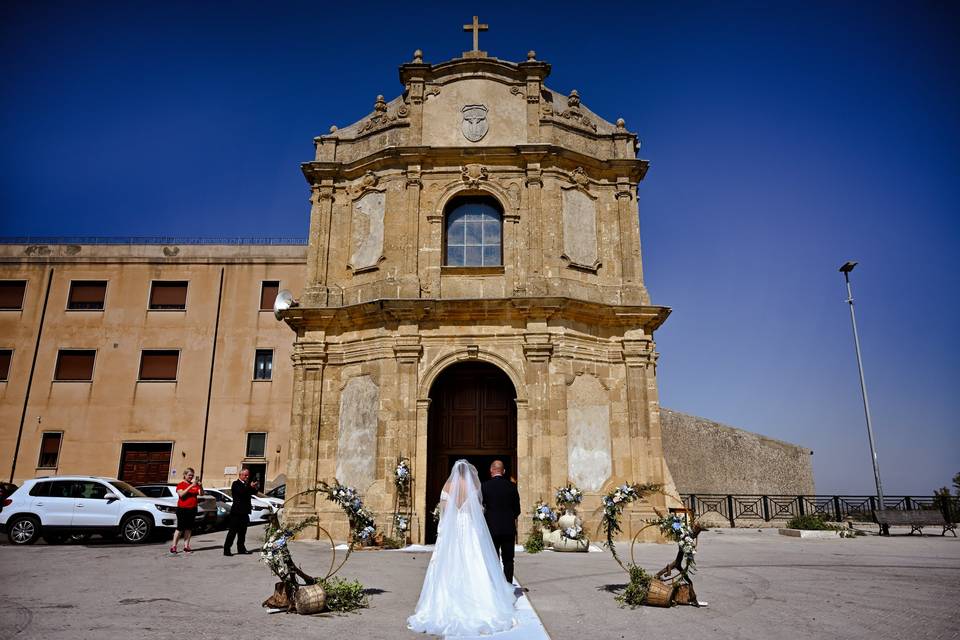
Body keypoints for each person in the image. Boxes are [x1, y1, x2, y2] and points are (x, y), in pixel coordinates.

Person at [408, 460, 516, 636]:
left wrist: (442, 531)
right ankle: (480, 601)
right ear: (468, 473)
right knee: (473, 560)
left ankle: (443, 602)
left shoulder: (447, 487)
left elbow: (443, 514)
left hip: (451, 530)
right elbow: (479, 512)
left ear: (454, 472)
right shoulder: (473, 488)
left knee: (448, 563)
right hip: (468, 528)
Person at [481, 459, 522, 583]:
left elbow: (480, 506)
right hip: (508, 528)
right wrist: (509, 518)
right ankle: (508, 585)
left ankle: (495, 585)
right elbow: (517, 510)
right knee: (508, 559)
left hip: (491, 528)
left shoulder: (484, 486)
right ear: (503, 471)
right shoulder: (512, 487)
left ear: (491, 471)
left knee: (493, 559)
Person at [223, 468, 257, 556]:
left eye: (248, 475)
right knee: (232, 532)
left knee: (242, 533)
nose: (247, 477)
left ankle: (241, 548)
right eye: (245, 475)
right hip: (236, 513)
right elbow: (241, 492)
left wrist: (253, 486)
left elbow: (254, 492)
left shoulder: (247, 485)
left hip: (245, 512)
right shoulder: (236, 484)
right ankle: (227, 549)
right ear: (240, 475)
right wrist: (249, 486)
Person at [171, 468, 202, 554]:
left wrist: (200, 486)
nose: (191, 477)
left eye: (192, 475)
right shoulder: (181, 484)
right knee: (180, 528)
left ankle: (186, 546)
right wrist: (191, 486)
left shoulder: (195, 485)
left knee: (189, 528)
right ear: (185, 475)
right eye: (189, 475)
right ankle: (174, 546)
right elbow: (181, 494)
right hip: (182, 509)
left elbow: (201, 494)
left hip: (192, 509)